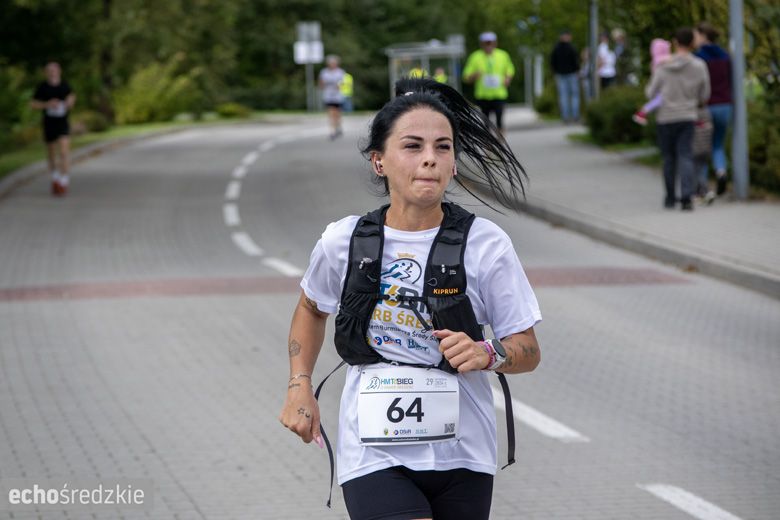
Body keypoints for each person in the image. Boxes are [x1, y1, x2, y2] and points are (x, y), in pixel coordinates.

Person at [279, 78, 541, 520]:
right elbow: (311, 307)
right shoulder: (344, 241)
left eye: (443, 147)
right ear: (379, 161)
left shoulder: (486, 244)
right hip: (372, 451)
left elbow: (528, 349)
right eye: (413, 146)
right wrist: (298, 384)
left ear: (454, 162)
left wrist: (487, 352)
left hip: (465, 453)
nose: (429, 160)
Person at [645, 27, 710, 211]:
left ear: (675, 42)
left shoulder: (663, 67)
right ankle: (687, 198)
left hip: (665, 117)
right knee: (686, 156)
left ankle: (670, 198)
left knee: (668, 158)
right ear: (692, 43)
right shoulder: (699, 66)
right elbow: (705, 94)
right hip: (688, 116)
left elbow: (651, 92)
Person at [694, 21, 733, 197]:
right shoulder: (725, 55)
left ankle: (701, 186)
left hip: (707, 106)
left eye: (696, 35)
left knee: (701, 147)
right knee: (718, 144)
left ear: (703, 36)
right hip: (725, 105)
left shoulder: (698, 58)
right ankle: (721, 172)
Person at [30, 62, 76, 196]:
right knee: (51, 153)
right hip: (49, 123)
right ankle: (55, 178)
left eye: (54, 70)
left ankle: (64, 181)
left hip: (62, 122)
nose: (52, 72)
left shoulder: (64, 85)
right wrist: (47, 104)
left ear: (59, 71)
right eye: (49, 70)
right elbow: (33, 103)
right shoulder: (43, 87)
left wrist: (69, 102)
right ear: (46, 72)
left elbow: (72, 97)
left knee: (64, 152)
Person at [463, 31, 516, 134]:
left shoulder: (503, 55)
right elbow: (466, 76)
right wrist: (474, 75)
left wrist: (508, 78)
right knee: (486, 123)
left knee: (499, 121)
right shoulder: (475, 57)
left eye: (490, 43)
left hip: (499, 93)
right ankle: (488, 146)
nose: (488, 45)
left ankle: (501, 145)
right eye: (486, 43)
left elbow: (510, 69)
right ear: (481, 44)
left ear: (495, 43)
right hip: (483, 95)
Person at [632, 38, 672, 125]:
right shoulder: (665, 59)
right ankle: (643, 112)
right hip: (664, 85)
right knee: (660, 99)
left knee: (658, 99)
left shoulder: (655, 60)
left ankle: (642, 112)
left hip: (658, 85)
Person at [551, 30, 580, 123]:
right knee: (574, 95)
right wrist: (577, 71)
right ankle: (575, 116)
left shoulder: (556, 48)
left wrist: (555, 71)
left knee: (563, 96)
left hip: (560, 74)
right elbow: (576, 61)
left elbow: (552, 62)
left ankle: (565, 117)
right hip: (571, 74)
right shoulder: (571, 48)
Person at [319, 55, 346, 139]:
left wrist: (339, 86)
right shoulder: (324, 72)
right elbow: (321, 83)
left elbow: (343, 83)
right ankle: (332, 130)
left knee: (337, 113)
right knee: (331, 112)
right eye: (331, 63)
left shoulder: (340, 72)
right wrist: (323, 86)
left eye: (334, 63)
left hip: (337, 95)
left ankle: (338, 126)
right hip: (328, 95)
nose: (332, 64)